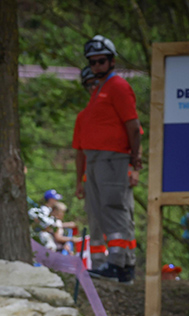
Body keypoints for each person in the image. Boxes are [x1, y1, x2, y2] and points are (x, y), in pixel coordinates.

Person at [76, 35, 143, 284]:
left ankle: (118, 265)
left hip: (112, 159)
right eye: (92, 63)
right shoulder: (101, 89)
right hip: (96, 160)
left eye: (101, 61)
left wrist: (135, 159)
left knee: (115, 209)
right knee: (103, 210)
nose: (96, 67)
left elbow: (133, 126)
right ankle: (119, 266)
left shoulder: (118, 86)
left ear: (112, 61)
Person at [73, 66, 107, 267]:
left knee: (117, 220)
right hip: (91, 179)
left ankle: (120, 263)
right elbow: (79, 152)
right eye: (89, 85)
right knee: (95, 222)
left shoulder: (117, 112)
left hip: (114, 176)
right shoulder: (83, 117)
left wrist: (132, 169)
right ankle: (98, 262)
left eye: (96, 83)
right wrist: (79, 181)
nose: (93, 88)